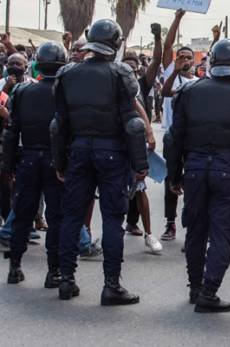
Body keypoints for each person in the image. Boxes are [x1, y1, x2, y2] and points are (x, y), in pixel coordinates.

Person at [164, 38, 230, 312]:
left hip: (196, 171)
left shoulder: (189, 92)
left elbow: (173, 140)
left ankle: (196, 288)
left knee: (196, 231)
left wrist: (174, 176)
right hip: (229, 172)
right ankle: (208, 292)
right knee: (223, 234)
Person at [51, 19, 148, 305]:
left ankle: (66, 280)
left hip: (79, 150)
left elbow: (59, 125)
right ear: (116, 43)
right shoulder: (121, 72)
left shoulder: (67, 73)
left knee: (71, 217)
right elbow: (133, 124)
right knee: (113, 220)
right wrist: (140, 162)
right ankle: (111, 286)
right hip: (112, 153)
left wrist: (60, 162)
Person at [3, 42, 67, 287]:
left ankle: (15, 267)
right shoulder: (64, 94)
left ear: (37, 64)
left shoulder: (20, 92)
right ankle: (54, 272)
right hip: (55, 161)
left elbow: (10, 132)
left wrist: (7, 167)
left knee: (22, 215)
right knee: (56, 217)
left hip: (28, 159)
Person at [121, 23, 163, 254]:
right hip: (114, 145)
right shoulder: (112, 83)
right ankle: (89, 236)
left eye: (133, 67)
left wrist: (157, 39)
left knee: (140, 187)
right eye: (125, 66)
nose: (129, 70)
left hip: (135, 145)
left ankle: (148, 233)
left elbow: (156, 63)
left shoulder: (140, 85)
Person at [161, 9, 198, 241]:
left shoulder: (198, 83)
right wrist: (177, 19)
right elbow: (166, 92)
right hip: (173, 137)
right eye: (181, 56)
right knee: (170, 179)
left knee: (193, 179)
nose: (184, 59)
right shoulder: (170, 74)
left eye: (188, 57)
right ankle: (170, 223)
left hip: (193, 138)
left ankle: (191, 221)